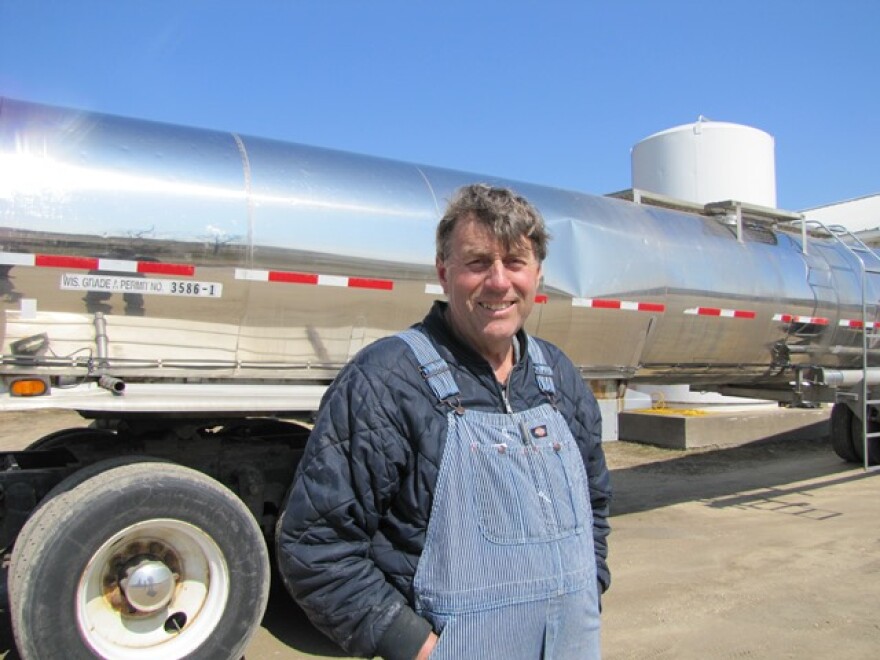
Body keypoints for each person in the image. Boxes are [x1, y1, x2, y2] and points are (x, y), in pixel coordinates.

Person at [277, 183, 612, 659]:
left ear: (537, 274)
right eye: (478, 263)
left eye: (515, 262)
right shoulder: (388, 381)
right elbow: (314, 544)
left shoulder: (558, 376)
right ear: (443, 272)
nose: (499, 282)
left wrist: (590, 584)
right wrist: (413, 644)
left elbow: (595, 503)